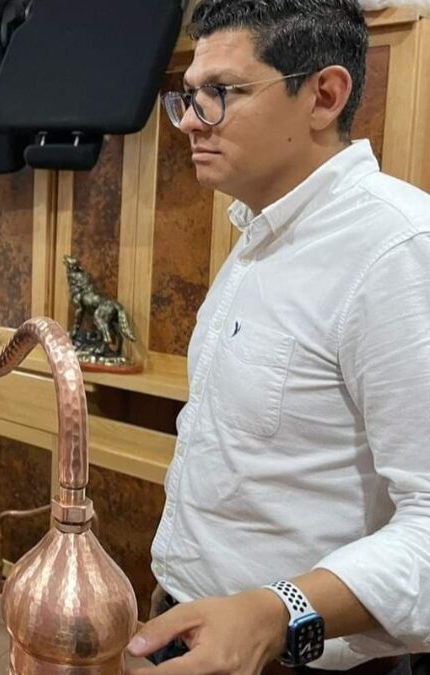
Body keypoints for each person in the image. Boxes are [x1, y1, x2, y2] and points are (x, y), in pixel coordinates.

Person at [124, 2, 430, 674]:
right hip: (195, 625)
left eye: (222, 94)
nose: (189, 123)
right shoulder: (257, 236)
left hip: (303, 654)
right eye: (189, 95)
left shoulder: (399, 250)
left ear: (323, 95)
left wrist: (277, 609)